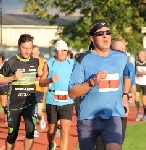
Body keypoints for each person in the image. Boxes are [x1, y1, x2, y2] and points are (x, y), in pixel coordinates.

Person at [68, 19, 132, 150]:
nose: (105, 35)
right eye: (100, 33)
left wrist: (125, 94)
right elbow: (72, 92)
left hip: (113, 116)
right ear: (92, 38)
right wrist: (91, 82)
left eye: (107, 32)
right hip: (88, 119)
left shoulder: (121, 57)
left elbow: (128, 74)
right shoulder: (83, 59)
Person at [0, 34, 43, 150]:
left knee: (30, 132)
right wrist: (12, 78)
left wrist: (41, 74)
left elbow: (40, 77)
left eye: (29, 48)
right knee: (12, 136)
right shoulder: (10, 62)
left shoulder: (36, 62)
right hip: (14, 105)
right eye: (24, 48)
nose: (27, 51)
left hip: (30, 103)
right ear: (18, 47)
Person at [39, 40, 74, 150]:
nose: (63, 53)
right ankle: (51, 143)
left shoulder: (72, 63)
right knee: (51, 129)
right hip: (52, 99)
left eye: (65, 50)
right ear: (55, 51)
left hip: (67, 99)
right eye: (60, 50)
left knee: (65, 128)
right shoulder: (49, 63)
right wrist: (50, 80)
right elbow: (41, 82)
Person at [31, 45, 46, 137]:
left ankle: (41, 118)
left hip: (40, 88)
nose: (33, 54)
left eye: (35, 53)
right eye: (32, 53)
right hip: (30, 88)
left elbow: (46, 75)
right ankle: (34, 129)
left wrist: (41, 74)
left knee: (38, 112)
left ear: (38, 52)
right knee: (32, 111)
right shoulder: (27, 62)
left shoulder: (43, 61)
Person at [0, 53, 8, 123]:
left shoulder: (5, 67)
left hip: (4, 86)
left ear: (2, 61)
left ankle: (6, 116)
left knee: (4, 104)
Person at [135, 50, 146, 121]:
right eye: (138, 54)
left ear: (145, 55)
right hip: (137, 82)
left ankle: (145, 114)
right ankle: (139, 112)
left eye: (141, 54)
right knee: (136, 98)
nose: (139, 56)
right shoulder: (136, 62)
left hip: (145, 84)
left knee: (144, 101)